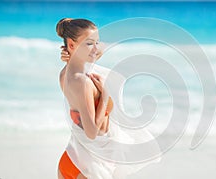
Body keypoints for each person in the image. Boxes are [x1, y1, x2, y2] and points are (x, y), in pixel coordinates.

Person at [56, 18, 161, 179]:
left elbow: (97, 51)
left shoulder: (66, 73)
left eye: (96, 42)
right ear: (71, 44)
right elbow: (91, 132)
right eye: (89, 43)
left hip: (75, 159)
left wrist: (74, 52)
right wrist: (105, 94)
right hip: (88, 167)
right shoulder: (82, 81)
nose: (96, 48)